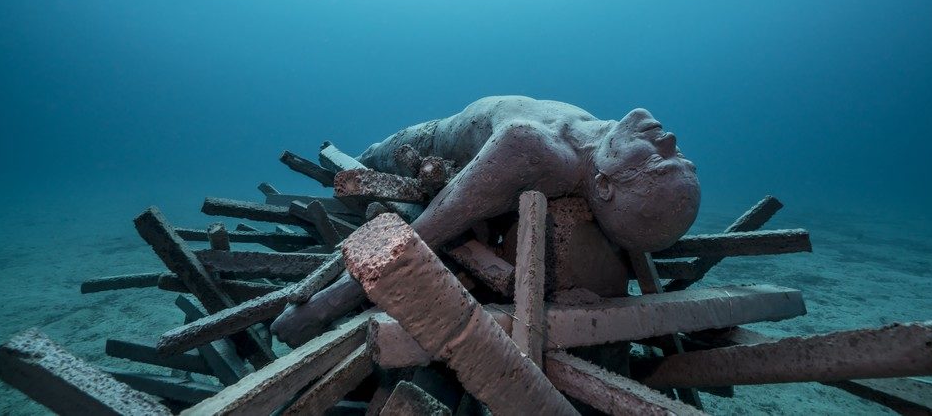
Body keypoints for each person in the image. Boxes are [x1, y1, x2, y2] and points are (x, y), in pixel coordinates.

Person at [272, 95, 700, 346]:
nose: (672, 141)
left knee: (367, 158)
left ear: (606, 185)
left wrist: (323, 306)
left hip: (431, 140)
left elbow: (433, 224)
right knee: (368, 154)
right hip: (451, 126)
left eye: (661, 164)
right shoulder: (600, 136)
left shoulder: (534, 149)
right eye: (683, 159)